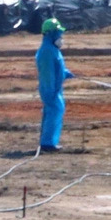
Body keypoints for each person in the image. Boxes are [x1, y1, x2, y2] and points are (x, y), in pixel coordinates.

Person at [35, 17, 74, 151]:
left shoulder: (52, 49)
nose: (61, 37)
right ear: (51, 34)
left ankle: (50, 141)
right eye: (58, 34)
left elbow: (57, 67)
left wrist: (65, 73)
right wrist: (50, 91)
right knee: (54, 111)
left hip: (55, 89)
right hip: (50, 89)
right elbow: (47, 73)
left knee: (56, 111)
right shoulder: (47, 51)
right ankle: (47, 143)